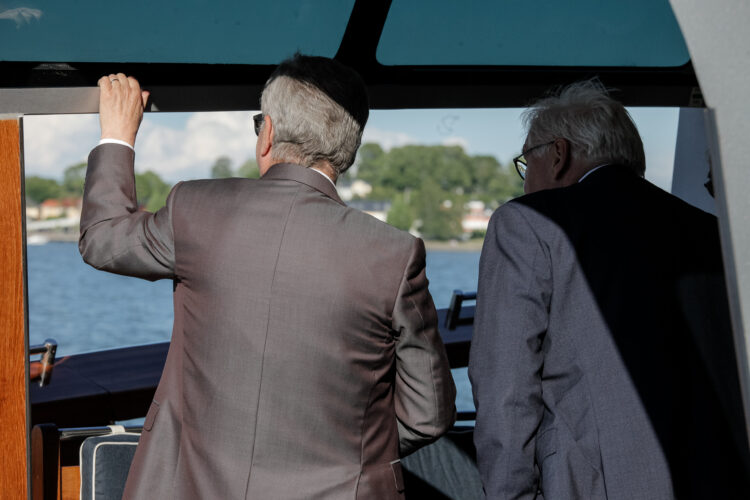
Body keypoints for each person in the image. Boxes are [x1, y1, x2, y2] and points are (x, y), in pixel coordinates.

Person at [79, 54, 456, 500]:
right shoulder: (393, 253)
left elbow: (102, 239)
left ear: (268, 134)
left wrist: (117, 137)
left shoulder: (196, 209)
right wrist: (353, 451)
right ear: (348, 151)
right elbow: (427, 414)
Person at [469, 81, 750, 499]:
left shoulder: (529, 223)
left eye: (527, 163)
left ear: (559, 155)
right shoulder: (711, 231)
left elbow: (506, 391)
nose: (526, 183)